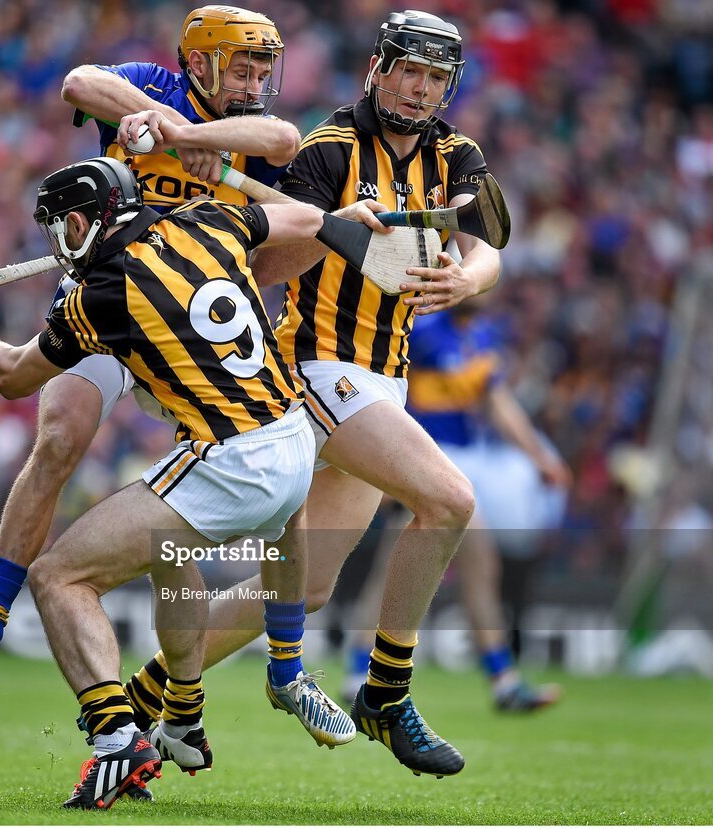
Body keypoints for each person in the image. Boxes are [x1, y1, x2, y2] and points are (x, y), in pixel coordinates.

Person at [122, 9, 500, 779]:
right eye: (411, 72)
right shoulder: (329, 149)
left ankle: (143, 696)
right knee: (451, 501)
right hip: (318, 371)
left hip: (380, 384)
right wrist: (328, 225)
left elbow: (487, 237)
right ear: (378, 68)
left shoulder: (456, 153)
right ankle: (387, 691)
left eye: (437, 78)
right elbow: (266, 249)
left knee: (309, 584)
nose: (422, 90)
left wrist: (468, 276)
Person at [0, 157, 357, 808]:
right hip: (294, 444)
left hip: (232, 461)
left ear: (81, 221)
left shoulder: (100, 294)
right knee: (169, 547)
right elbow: (305, 218)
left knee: (59, 578)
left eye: (59, 230)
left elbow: (11, 375)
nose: (58, 246)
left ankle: (116, 738)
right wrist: (345, 221)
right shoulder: (210, 217)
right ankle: (191, 713)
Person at [0, 4, 299, 687]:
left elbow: (282, 140)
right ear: (200, 61)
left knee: (227, 469)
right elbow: (77, 82)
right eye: (242, 65)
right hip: (109, 305)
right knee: (59, 438)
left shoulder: (244, 132)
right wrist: (155, 119)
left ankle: (277, 667)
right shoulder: (153, 85)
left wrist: (195, 135)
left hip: (185, 325)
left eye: (262, 68)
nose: (254, 80)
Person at [343, 302, 572, 712]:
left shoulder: (483, 335)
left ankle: (360, 671)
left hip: (459, 466)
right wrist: (386, 463)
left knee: (428, 566)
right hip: (422, 458)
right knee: (455, 564)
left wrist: (540, 458)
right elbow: (389, 393)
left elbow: (499, 405)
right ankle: (501, 679)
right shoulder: (424, 331)